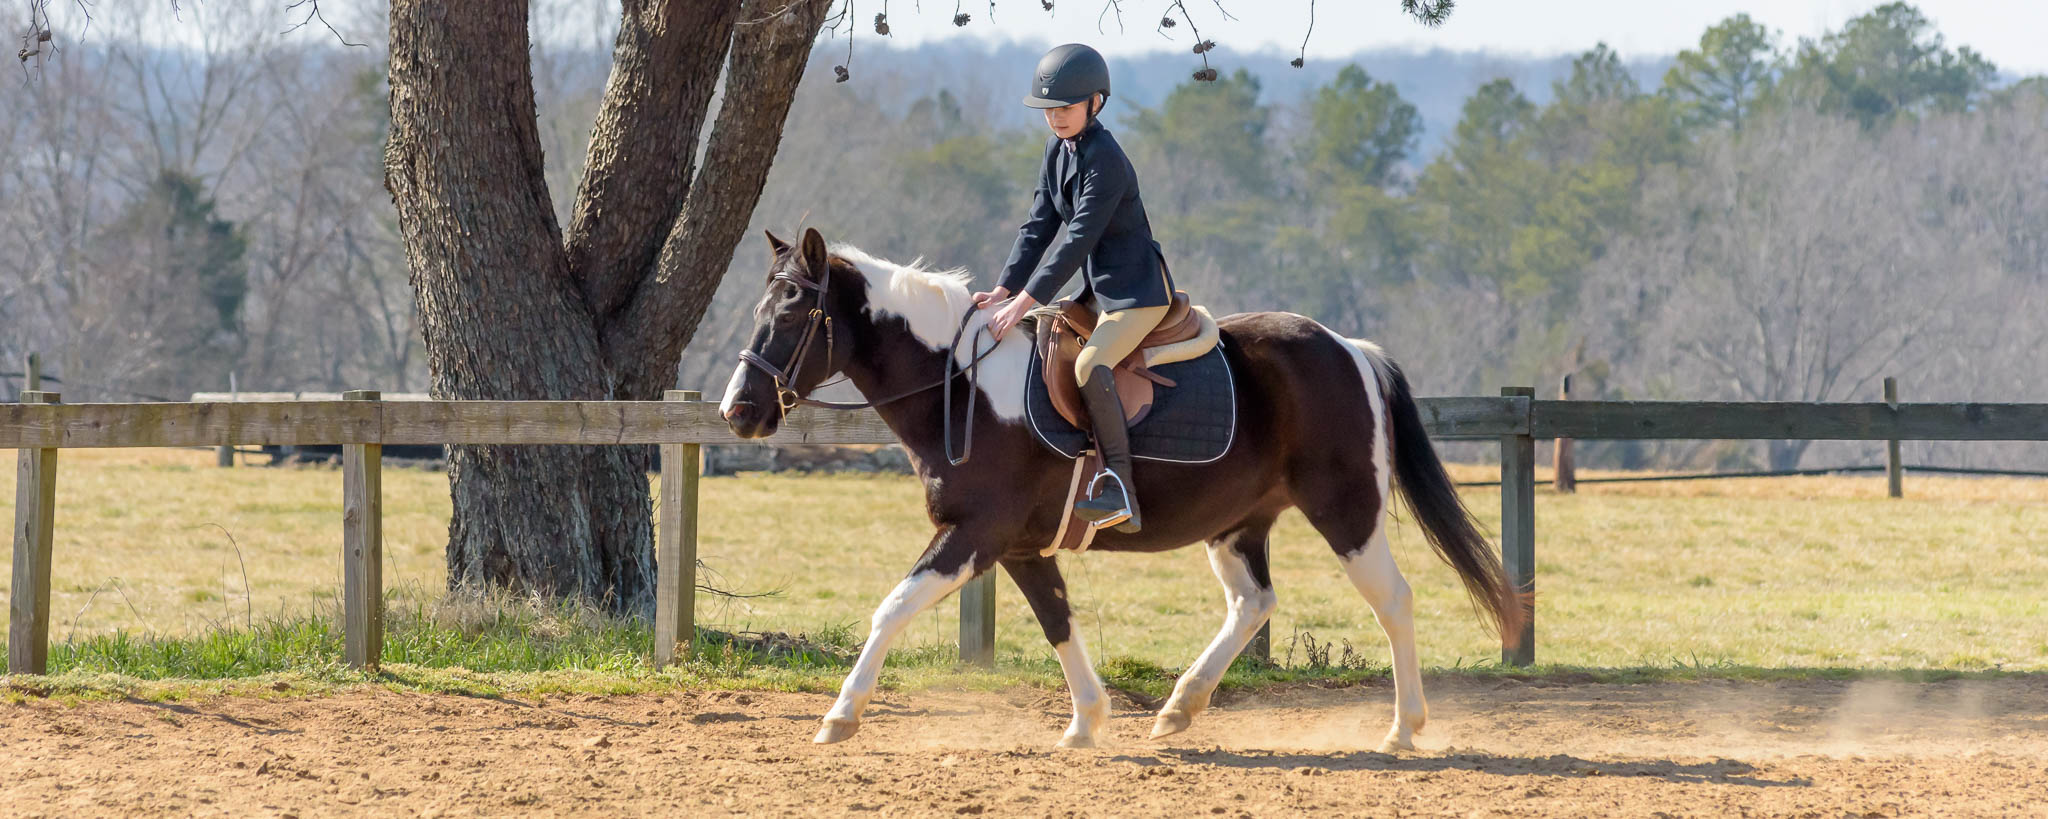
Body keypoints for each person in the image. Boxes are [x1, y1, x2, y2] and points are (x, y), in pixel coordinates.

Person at [974, 42, 1177, 534]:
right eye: (1049, 109)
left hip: (1135, 292)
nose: (1056, 118)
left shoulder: (1106, 160)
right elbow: (1038, 227)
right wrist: (1004, 290)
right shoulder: (1056, 151)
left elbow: (1076, 242)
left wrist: (1026, 300)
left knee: (1091, 364)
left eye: (1065, 107)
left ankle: (1120, 489)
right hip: (1095, 292)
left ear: (1096, 103)